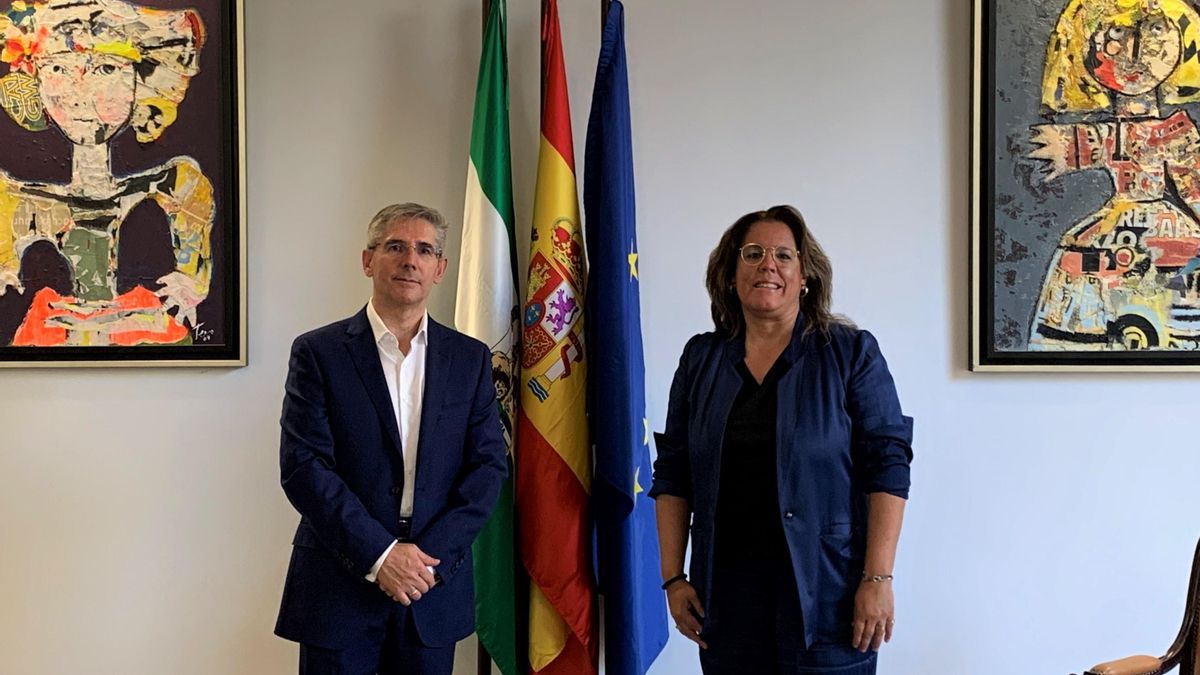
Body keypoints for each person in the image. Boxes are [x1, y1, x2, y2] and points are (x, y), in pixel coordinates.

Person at [650, 205, 913, 675]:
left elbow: (888, 464)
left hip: (830, 601)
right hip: (726, 604)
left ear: (805, 275)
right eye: (752, 253)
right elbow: (673, 471)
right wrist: (673, 576)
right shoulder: (701, 359)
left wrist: (878, 578)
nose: (767, 264)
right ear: (731, 275)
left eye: (783, 255)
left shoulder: (851, 353)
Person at [275, 203, 508, 675]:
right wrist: (380, 556)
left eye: (425, 250)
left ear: (440, 269)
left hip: (430, 585)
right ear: (368, 260)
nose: (410, 260)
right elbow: (304, 466)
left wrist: (423, 563)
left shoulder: (470, 359)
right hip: (339, 583)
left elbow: (488, 469)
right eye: (396, 246)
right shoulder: (318, 353)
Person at [0, 0, 214, 347]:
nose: (79, 92)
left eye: (106, 70)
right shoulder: (12, 199)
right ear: (35, 82)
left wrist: (191, 282)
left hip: (146, 338)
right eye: (57, 69)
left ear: (141, 85)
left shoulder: (177, 181)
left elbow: (194, 217)